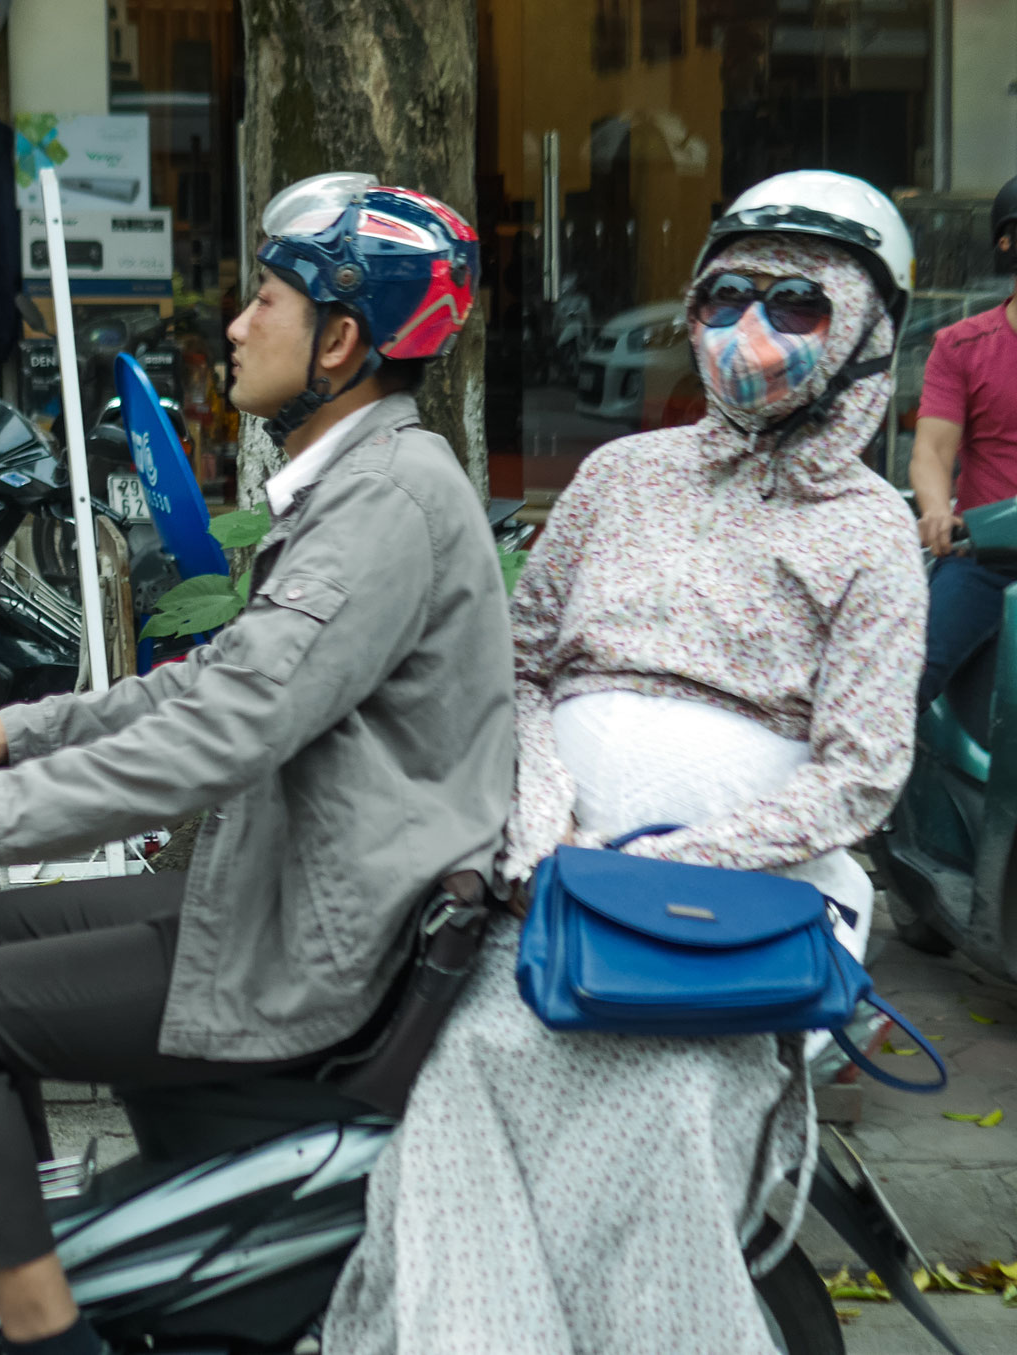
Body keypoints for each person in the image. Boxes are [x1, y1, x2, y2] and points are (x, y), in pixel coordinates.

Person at [0, 176, 513, 1355]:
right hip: (281, 878)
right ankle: (62, 1235)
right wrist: (11, 732)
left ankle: (38, 1332)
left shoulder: (386, 501)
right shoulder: (351, 481)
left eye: (264, 300)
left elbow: (224, 733)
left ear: (342, 338)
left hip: (322, 933)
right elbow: (212, 683)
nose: (236, 324)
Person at [319, 171, 925, 1353]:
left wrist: (670, 866)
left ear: (863, 332)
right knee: (462, 1068)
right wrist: (545, 821)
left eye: (797, 303)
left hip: (730, 918)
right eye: (726, 296)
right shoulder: (615, 477)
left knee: (666, 1114)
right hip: (544, 890)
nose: (747, 332)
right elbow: (521, 666)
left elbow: (857, 774)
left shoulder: (872, 530)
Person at [911, 173, 1017, 709]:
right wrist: (935, 510)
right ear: (1007, 241)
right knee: (908, 677)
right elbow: (931, 449)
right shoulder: (961, 346)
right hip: (986, 555)